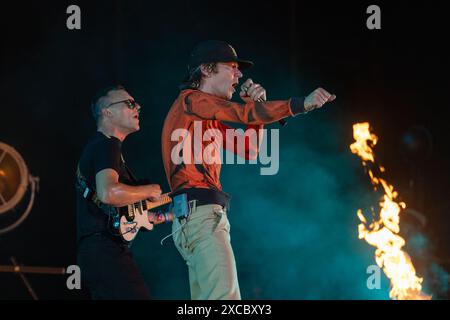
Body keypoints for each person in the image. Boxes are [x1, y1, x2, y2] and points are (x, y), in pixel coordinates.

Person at [161, 40, 336, 300]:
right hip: (201, 216)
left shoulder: (202, 114)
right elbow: (244, 115)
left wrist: (254, 113)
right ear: (207, 70)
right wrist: (300, 104)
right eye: (231, 67)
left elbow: (251, 150)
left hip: (194, 218)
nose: (239, 74)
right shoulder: (192, 100)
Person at [76, 85, 162, 299]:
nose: (138, 107)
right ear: (107, 111)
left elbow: (110, 202)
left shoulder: (102, 147)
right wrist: (148, 190)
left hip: (98, 251)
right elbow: (109, 194)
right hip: (105, 251)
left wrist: (149, 216)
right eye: (130, 103)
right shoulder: (106, 145)